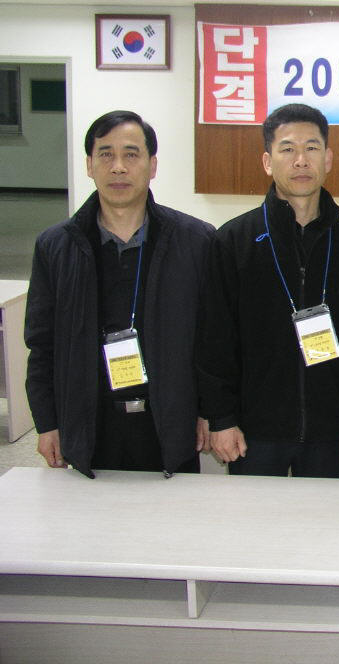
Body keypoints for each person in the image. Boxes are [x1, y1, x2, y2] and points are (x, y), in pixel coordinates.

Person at [24, 110, 214, 478]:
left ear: (152, 165)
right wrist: (47, 422)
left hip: (169, 424)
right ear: (89, 165)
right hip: (89, 425)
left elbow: (211, 339)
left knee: (173, 513)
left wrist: (209, 411)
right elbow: (42, 344)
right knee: (91, 514)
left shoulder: (195, 240)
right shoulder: (56, 246)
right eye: (106, 154)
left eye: (131, 154)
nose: (118, 167)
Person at [197, 103, 339, 477]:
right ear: (268, 162)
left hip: (329, 429)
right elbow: (214, 339)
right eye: (288, 149)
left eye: (312, 148)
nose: (301, 160)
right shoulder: (233, 241)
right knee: (254, 517)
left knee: (324, 514)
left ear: (328, 158)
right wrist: (221, 417)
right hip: (254, 430)